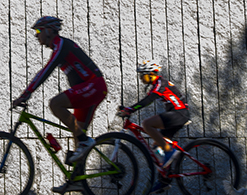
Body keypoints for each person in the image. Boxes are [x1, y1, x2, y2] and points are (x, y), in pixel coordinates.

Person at [11, 16, 108, 194]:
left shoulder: (61, 44)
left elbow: (46, 71)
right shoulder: (58, 46)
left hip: (94, 85)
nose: (36, 36)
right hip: (90, 88)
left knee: (55, 104)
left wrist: (25, 95)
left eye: (39, 31)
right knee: (78, 135)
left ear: (49, 30)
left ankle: (85, 142)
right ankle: (76, 181)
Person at [118, 60, 190, 194]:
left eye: (142, 75)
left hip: (179, 113)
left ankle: (170, 151)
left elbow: (149, 100)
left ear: (151, 74)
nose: (140, 78)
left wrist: (131, 110)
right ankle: (164, 181)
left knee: (147, 124)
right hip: (177, 114)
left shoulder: (160, 83)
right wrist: (129, 108)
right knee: (157, 147)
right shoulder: (156, 84)